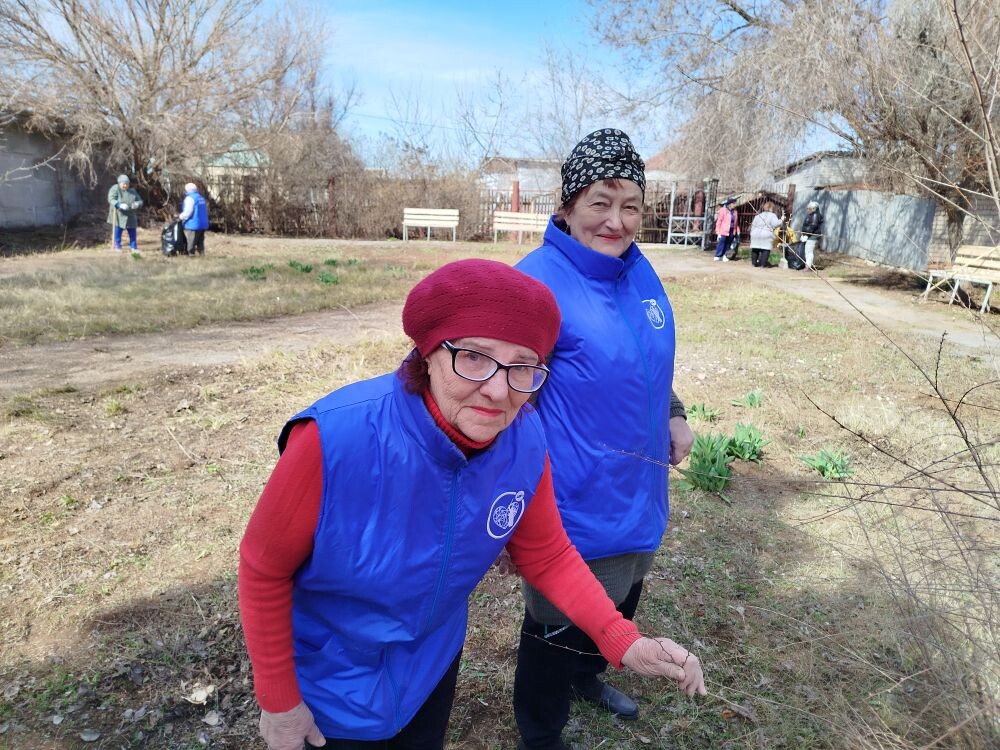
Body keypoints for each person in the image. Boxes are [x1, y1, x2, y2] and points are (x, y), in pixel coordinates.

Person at [238, 258, 706, 750]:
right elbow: (263, 569)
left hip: (429, 667)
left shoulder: (523, 438)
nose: (499, 390)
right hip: (330, 684)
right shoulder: (333, 440)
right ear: (428, 353)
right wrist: (280, 702)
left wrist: (624, 641)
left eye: (523, 366)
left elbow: (546, 554)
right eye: (475, 357)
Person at [513, 128, 698, 750]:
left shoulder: (638, 271)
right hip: (573, 499)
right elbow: (505, 394)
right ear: (566, 207)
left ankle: (590, 677)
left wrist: (672, 410)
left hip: (640, 490)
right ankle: (540, 730)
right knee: (556, 623)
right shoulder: (535, 285)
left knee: (621, 599)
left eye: (631, 206)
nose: (616, 221)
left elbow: (649, 359)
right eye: (599, 202)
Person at [107, 174, 142, 253]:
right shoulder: (115, 189)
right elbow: (111, 199)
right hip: (119, 215)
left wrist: (137, 204)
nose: (125, 185)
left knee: (132, 232)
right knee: (118, 232)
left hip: (131, 215)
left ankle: (133, 247)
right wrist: (119, 204)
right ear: (119, 183)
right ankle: (118, 246)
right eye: (124, 184)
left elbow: (140, 201)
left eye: (127, 184)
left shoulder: (132, 191)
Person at [749, 201, 784, 268]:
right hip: (766, 234)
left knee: (755, 249)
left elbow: (753, 225)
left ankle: (754, 263)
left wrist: (752, 233)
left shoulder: (758, 215)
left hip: (755, 234)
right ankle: (762, 264)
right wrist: (781, 220)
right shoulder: (772, 215)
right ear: (771, 208)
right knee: (765, 249)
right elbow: (775, 224)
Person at [178, 182, 209, 255]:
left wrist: (180, 217)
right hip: (203, 223)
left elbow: (188, 212)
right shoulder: (200, 198)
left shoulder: (190, 198)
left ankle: (191, 255)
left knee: (191, 241)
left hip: (194, 223)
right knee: (200, 241)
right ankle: (202, 254)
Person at [799, 200, 824, 270]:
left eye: (809, 208)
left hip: (812, 236)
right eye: (808, 208)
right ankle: (808, 265)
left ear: (814, 209)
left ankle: (808, 267)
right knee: (808, 250)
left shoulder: (815, 215)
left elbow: (813, 226)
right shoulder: (810, 215)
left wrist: (806, 234)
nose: (808, 210)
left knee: (808, 250)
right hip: (809, 235)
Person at [713, 196, 738, 261]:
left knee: (728, 243)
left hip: (732, 230)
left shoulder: (735, 212)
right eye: (734, 203)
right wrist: (717, 231)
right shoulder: (723, 210)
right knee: (722, 243)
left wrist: (737, 230)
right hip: (724, 230)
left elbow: (736, 222)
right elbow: (719, 221)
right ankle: (718, 255)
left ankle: (725, 255)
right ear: (730, 204)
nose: (735, 205)